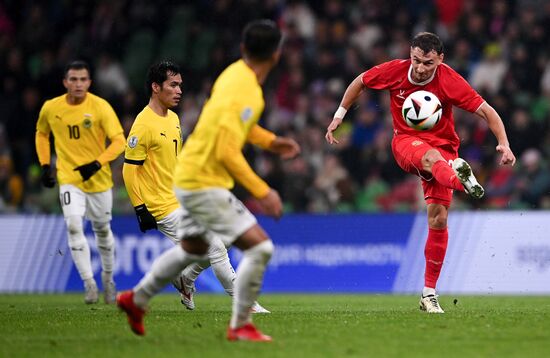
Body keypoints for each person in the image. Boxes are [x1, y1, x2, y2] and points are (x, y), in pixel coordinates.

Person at [117, 19, 300, 341]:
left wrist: (270, 141)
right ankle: (241, 323)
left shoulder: (231, 76)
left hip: (189, 177)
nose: (178, 91)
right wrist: (264, 191)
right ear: (276, 55)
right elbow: (229, 151)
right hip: (201, 181)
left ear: (243, 49)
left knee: (195, 248)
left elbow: (234, 127)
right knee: (259, 247)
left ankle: (136, 299)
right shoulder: (249, 92)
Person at [326, 32, 516, 313]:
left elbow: (487, 112)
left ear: (440, 59)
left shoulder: (450, 80)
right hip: (406, 143)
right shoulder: (395, 70)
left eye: (427, 62)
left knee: (438, 219)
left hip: (445, 149)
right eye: (416, 60)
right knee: (431, 158)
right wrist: (339, 116)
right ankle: (461, 181)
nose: (420, 67)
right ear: (410, 54)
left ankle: (428, 294)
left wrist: (504, 143)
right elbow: (360, 82)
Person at [122, 60, 269, 313]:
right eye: (173, 85)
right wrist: (139, 208)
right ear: (156, 87)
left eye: (180, 85)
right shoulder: (143, 124)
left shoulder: (173, 118)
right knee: (215, 245)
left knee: (226, 236)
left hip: (182, 198)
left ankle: (185, 279)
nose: (179, 90)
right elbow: (129, 168)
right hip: (161, 206)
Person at [35, 60, 125, 304]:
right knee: (74, 226)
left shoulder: (100, 107)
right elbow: (42, 133)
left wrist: (96, 163)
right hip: (69, 179)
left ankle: (108, 280)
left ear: (90, 82)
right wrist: (45, 165)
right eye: (73, 79)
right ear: (65, 82)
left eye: (83, 79)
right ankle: (89, 284)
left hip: (99, 180)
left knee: (102, 230)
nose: (78, 84)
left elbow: (119, 141)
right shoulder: (51, 108)